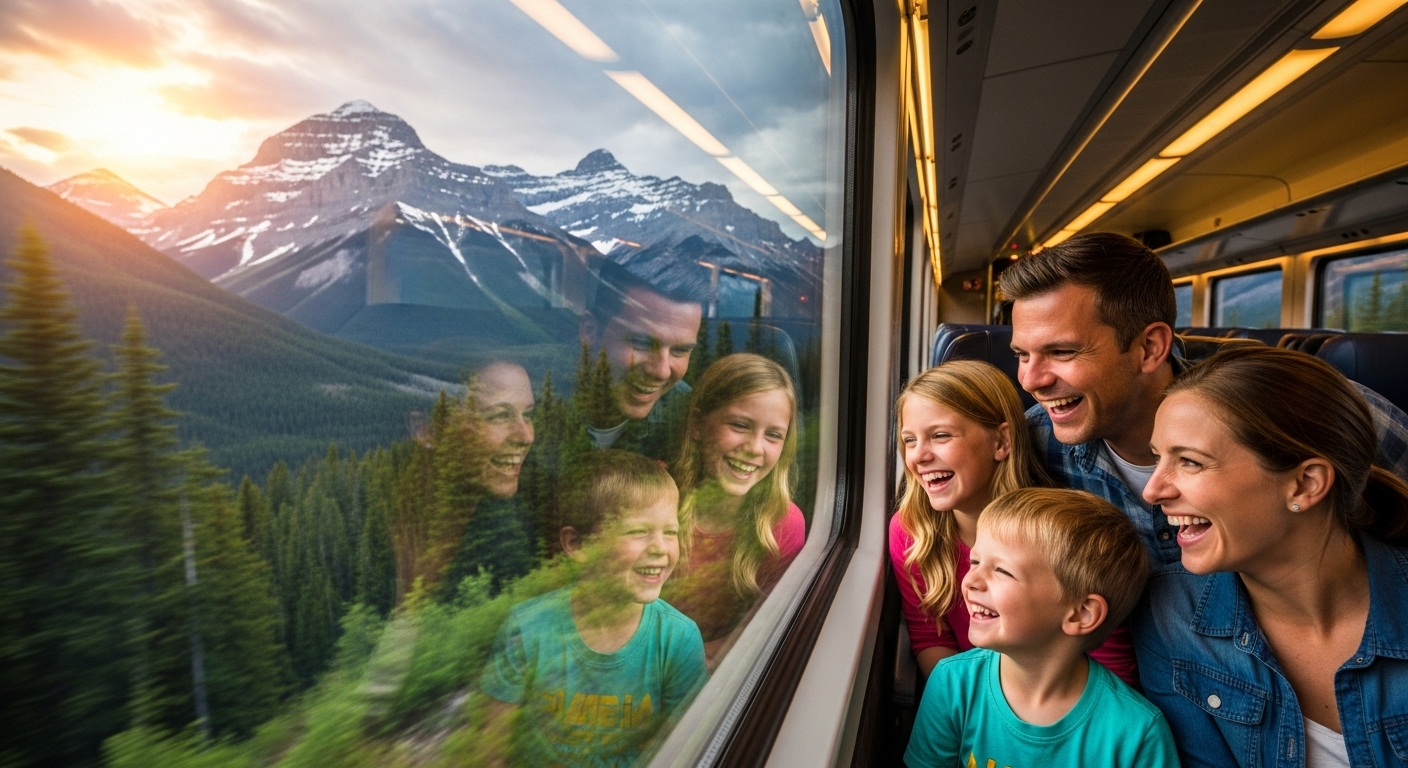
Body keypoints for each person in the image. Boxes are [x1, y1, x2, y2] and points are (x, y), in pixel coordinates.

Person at [1000, 231, 1408, 565]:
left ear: (1149, 348)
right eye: (1022, 354)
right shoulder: (1033, 445)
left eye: (1062, 352)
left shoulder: (1321, 414)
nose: (1031, 380)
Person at [1135, 346, 1408, 767]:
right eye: (1158, 457)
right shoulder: (1171, 614)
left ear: (1304, 484)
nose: (1152, 491)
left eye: (1189, 462)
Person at [889, 360, 1140, 687]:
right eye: (909, 440)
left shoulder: (1063, 533)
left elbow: (1110, 666)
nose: (918, 456)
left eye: (940, 435)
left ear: (1001, 442)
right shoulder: (912, 531)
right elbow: (930, 639)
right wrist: (972, 712)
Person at [905, 487, 1177, 768]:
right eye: (975, 561)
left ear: (1081, 614)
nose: (971, 580)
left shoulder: (1137, 733)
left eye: (1002, 570)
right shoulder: (952, 683)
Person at [479, 450, 707, 766]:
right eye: (638, 531)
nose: (660, 548)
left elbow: (683, 750)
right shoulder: (528, 627)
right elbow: (491, 750)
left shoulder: (678, 639)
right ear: (578, 545)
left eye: (670, 532)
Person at [663, 353, 806, 664]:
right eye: (740, 425)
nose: (755, 448)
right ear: (698, 426)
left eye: (773, 435)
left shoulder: (780, 524)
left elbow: (759, 632)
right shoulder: (656, 497)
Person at [398, 359, 536, 598]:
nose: (526, 437)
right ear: (427, 430)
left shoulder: (527, 518)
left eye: (528, 415)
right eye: (500, 416)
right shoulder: (403, 533)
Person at [578, 259, 707, 460]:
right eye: (642, 343)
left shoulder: (686, 413)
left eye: (680, 350)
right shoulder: (526, 390)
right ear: (590, 332)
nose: (662, 371)